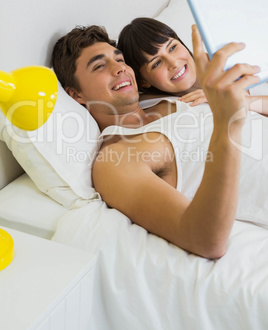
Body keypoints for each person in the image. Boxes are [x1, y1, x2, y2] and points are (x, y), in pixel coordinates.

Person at [51, 24, 265, 259]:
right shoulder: (117, 159)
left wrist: (246, 103)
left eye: (120, 60)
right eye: (100, 66)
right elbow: (204, 240)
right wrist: (227, 124)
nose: (120, 69)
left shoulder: (172, 96)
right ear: (76, 95)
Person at [117, 17, 268, 114]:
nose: (174, 63)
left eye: (172, 47)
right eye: (156, 63)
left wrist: (242, 101)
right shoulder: (161, 107)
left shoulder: (228, 58)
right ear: (144, 81)